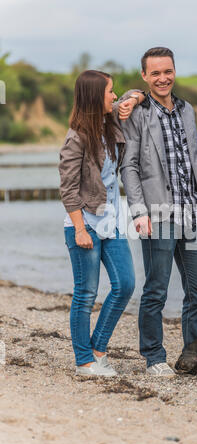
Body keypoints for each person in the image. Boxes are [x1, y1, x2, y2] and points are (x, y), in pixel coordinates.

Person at [120, 47, 197, 376]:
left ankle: (193, 356)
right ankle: (154, 358)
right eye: (155, 73)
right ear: (145, 76)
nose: (163, 78)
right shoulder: (137, 112)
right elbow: (128, 167)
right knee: (157, 290)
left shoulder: (187, 110)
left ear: (175, 72)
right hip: (157, 216)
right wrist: (138, 212)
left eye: (168, 71)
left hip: (192, 215)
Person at [59, 70, 144, 376]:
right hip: (85, 223)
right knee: (86, 293)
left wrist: (132, 99)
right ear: (96, 96)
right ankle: (84, 362)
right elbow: (67, 189)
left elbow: (138, 92)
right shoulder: (76, 138)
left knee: (125, 284)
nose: (114, 95)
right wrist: (80, 229)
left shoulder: (110, 126)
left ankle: (98, 349)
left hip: (112, 220)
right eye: (110, 92)